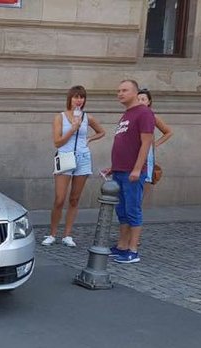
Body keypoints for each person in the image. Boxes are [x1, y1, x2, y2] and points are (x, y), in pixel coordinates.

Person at [42, 85, 106, 247]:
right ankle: (52, 233)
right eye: (76, 97)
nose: (79, 100)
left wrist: (89, 139)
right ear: (70, 98)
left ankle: (67, 235)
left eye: (82, 97)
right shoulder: (60, 117)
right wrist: (73, 129)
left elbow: (102, 131)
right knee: (59, 198)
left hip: (83, 158)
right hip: (64, 156)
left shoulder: (87, 117)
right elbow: (57, 141)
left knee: (74, 198)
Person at [106, 80, 155, 264]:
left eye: (124, 90)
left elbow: (146, 143)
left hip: (132, 173)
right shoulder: (127, 114)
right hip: (120, 170)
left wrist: (136, 169)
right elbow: (125, 142)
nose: (120, 93)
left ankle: (133, 250)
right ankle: (122, 246)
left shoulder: (144, 113)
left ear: (135, 92)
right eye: (118, 90)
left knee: (133, 210)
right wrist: (113, 167)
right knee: (122, 210)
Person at [136, 88, 174, 191]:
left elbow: (168, 132)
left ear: (149, 102)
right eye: (138, 99)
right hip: (132, 153)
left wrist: (154, 145)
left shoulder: (152, 116)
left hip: (146, 155)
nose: (140, 102)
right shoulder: (132, 116)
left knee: (145, 181)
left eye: (143, 99)